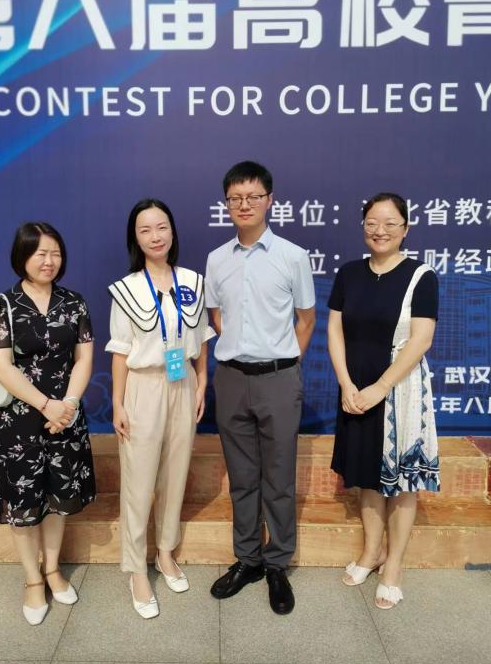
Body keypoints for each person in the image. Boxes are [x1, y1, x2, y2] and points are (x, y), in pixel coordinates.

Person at [205, 161, 316, 615]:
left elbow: (306, 319)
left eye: (253, 196)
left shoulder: (292, 256)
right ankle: (247, 559)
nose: (244, 204)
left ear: (270, 199)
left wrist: (284, 361)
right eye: (235, 198)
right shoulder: (216, 259)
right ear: (226, 204)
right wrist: (241, 346)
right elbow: (216, 315)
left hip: (278, 379)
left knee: (279, 479)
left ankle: (277, 564)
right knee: (242, 476)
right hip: (231, 379)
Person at [0, 222, 96, 625]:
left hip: (66, 418)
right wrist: (46, 405)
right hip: (19, 423)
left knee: (58, 500)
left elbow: (84, 358)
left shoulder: (74, 302)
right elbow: (0, 365)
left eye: (55, 253)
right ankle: (32, 579)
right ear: (22, 257)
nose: (49, 261)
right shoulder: (1, 304)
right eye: (40, 253)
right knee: (24, 503)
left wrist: (69, 405)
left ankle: (53, 569)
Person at [327, 192, 439, 610]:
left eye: (391, 223)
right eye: (373, 222)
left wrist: (381, 387)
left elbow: (421, 339)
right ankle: (371, 553)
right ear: (363, 226)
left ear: (405, 229)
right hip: (355, 387)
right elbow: (334, 330)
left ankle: (393, 567)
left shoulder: (420, 276)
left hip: (399, 391)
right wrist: (346, 383)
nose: (380, 231)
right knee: (366, 475)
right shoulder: (349, 273)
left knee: (402, 482)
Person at [106, 198, 215, 619]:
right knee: (138, 481)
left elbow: (201, 338)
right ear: (135, 238)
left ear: (172, 231)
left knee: (175, 473)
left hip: (182, 382)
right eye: (146, 230)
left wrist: (201, 382)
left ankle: (165, 553)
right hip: (144, 387)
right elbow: (120, 351)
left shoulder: (193, 281)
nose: (156, 236)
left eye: (162, 227)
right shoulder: (127, 289)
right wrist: (117, 402)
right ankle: (136, 569)